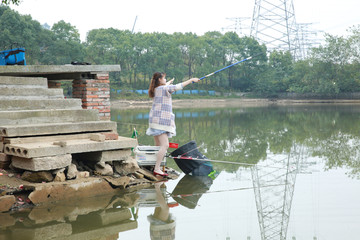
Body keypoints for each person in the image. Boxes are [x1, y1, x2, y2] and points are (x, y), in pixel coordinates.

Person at [146, 72, 200, 176]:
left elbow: (166, 87)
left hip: (154, 121)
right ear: (160, 80)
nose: (166, 80)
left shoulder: (157, 89)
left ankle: (156, 166)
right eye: (164, 78)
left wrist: (168, 83)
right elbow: (178, 86)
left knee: (158, 146)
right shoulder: (165, 89)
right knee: (165, 145)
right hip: (161, 122)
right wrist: (191, 80)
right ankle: (157, 168)